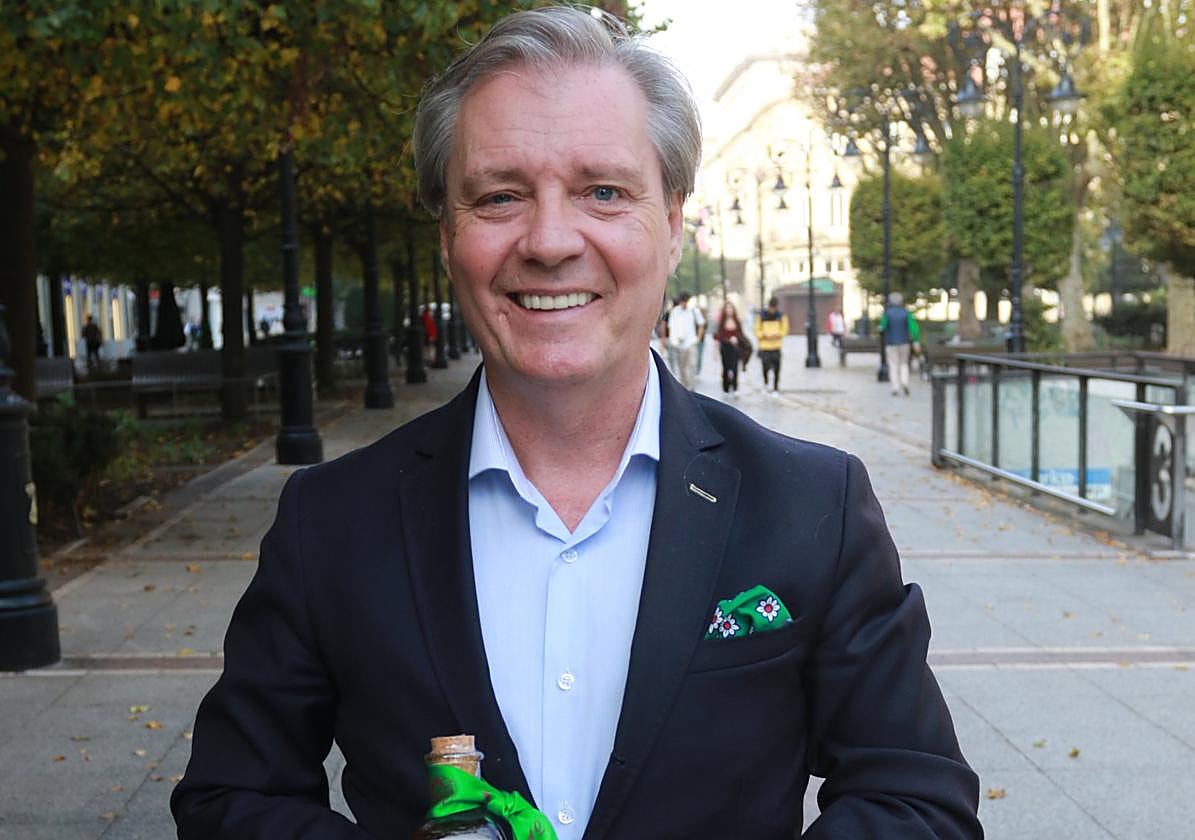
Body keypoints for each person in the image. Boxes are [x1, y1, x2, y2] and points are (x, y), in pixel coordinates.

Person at [172, 7, 980, 840]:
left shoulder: (814, 504)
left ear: (671, 224)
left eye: (602, 191)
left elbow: (914, 801)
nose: (551, 239)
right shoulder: (331, 520)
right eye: (498, 196)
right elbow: (234, 798)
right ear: (447, 234)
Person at [880, 291, 921, 396]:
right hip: (904, 342)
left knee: (893, 365)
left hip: (891, 343)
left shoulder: (887, 313)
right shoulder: (906, 313)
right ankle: (905, 382)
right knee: (904, 364)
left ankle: (895, 387)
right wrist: (916, 340)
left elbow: (882, 326)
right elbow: (914, 328)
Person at [666, 291, 701, 388]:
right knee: (682, 367)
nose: (684, 304)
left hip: (691, 342)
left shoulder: (694, 311)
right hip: (679, 344)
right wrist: (674, 341)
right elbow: (671, 326)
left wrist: (698, 338)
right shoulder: (675, 312)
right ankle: (684, 386)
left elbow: (701, 323)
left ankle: (691, 386)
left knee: (692, 365)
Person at [754, 295, 788, 393]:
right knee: (765, 366)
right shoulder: (761, 316)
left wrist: (778, 335)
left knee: (777, 368)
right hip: (765, 346)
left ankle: (776, 387)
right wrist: (763, 335)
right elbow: (757, 330)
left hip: (776, 346)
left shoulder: (781, 316)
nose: (772, 310)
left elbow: (784, 329)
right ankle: (766, 383)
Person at [713, 300, 745, 397]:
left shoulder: (737, 321)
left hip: (735, 348)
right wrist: (714, 350)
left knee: (735, 367)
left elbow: (741, 335)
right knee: (726, 367)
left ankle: (735, 388)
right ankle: (726, 388)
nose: (729, 310)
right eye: (727, 308)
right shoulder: (722, 322)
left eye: (731, 308)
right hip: (725, 347)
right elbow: (718, 336)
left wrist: (737, 339)